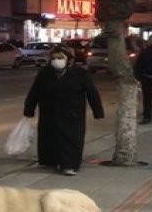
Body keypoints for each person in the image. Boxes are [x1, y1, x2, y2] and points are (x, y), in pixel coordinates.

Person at [23, 46, 104, 176]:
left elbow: (92, 92)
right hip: (49, 113)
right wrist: (29, 109)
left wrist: (98, 112)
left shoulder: (79, 73)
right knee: (50, 138)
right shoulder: (45, 73)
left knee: (71, 140)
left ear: (68, 59)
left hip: (72, 114)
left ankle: (69, 165)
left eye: (60, 58)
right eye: (54, 58)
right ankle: (51, 161)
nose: (56, 60)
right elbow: (34, 92)